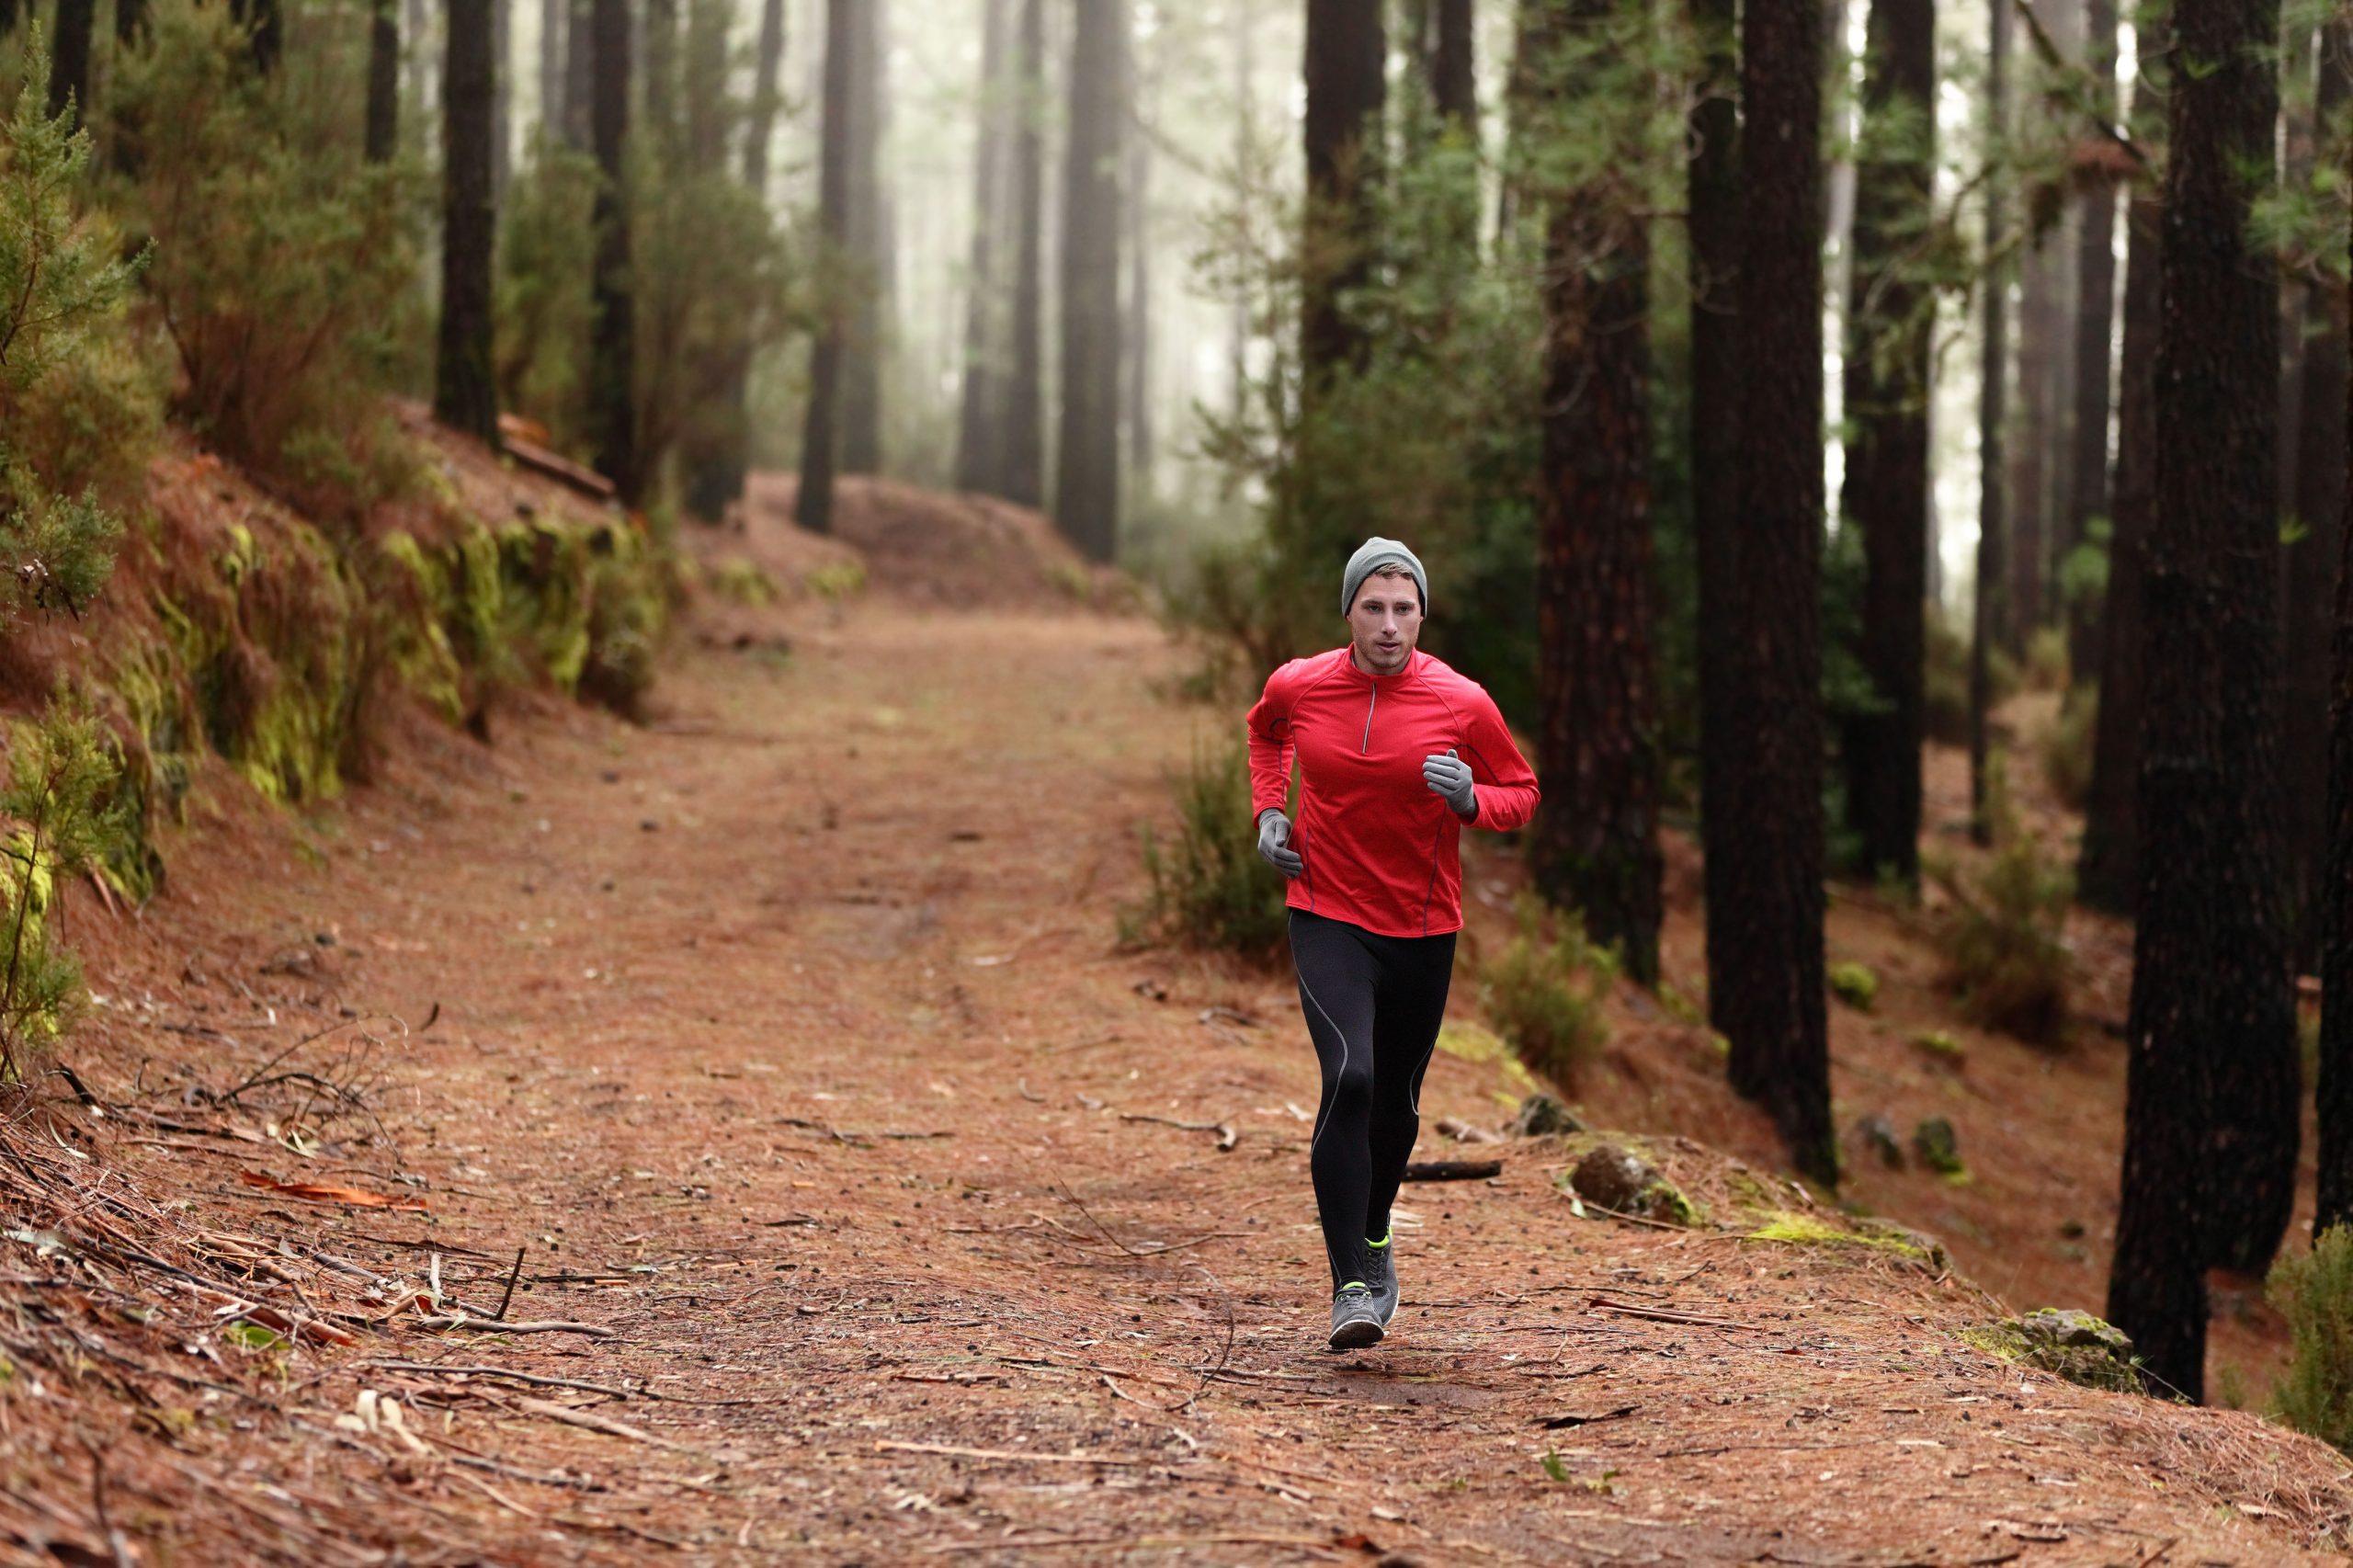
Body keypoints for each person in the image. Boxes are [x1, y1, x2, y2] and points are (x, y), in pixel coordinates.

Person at [1245, 538, 1540, 1349]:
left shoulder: (1461, 701)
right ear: (1348, 611)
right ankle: (1351, 1285)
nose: (1388, 624)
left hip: (1421, 926)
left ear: (1422, 615)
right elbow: (1264, 734)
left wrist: (1475, 799)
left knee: (1397, 1108)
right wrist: (1272, 812)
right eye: (1372, 607)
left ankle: (1375, 1234)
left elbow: (1524, 790)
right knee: (1351, 1075)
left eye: (1403, 608)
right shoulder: (1300, 685)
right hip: (1326, 908)